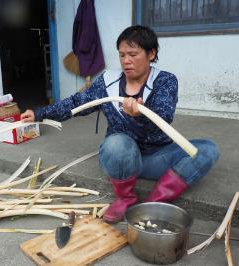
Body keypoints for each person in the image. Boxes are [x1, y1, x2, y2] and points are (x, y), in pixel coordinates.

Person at [21, 25, 219, 223]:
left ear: (151, 54)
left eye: (133, 54)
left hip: (157, 157)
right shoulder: (107, 81)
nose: (126, 61)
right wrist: (39, 113)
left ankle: (154, 201)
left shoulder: (165, 81)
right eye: (122, 55)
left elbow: (163, 117)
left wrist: (137, 115)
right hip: (121, 159)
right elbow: (76, 104)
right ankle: (126, 197)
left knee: (207, 150)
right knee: (116, 143)